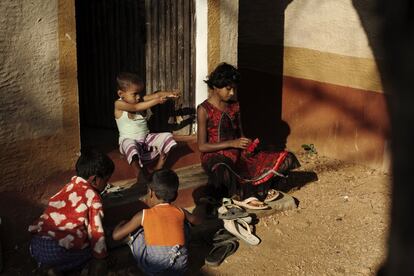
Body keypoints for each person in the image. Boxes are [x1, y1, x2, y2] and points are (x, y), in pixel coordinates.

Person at [197, 62, 300, 208]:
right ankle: (245, 195)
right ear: (215, 86)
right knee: (223, 170)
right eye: (228, 89)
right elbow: (202, 146)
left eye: (234, 88)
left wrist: (248, 145)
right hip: (216, 156)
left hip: (239, 154)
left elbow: (241, 134)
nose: (232, 92)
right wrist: (232, 143)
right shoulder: (204, 109)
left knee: (286, 158)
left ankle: (259, 190)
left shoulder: (235, 106)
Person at [28, 149, 115, 273]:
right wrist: (101, 258)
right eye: (106, 180)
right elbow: (96, 231)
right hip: (57, 251)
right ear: (95, 180)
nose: (107, 185)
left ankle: (46, 266)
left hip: (36, 245)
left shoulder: (68, 187)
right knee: (91, 253)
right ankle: (56, 270)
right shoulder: (93, 197)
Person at [112, 169, 201, 275]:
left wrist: (121, 224)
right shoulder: (180, 211)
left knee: (138, 232)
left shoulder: (143, 214)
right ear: (175, 195)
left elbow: (116, 236)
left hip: (154, 268)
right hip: (180, 267)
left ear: (150, 192)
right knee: (185, 225)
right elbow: (197, 221)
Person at [114, 72, 179, 183]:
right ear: (121, 93)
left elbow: (157, 95)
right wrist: (157, 101)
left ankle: (158, 167)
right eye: (134, 94)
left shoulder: (140, 100)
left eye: (140, 93)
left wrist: (170, 94)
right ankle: (139, 172)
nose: (139, 97)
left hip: (146, 141)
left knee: (168, 137)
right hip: (129, 142)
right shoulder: (118, 104)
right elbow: (135, 107)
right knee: (129, 144)